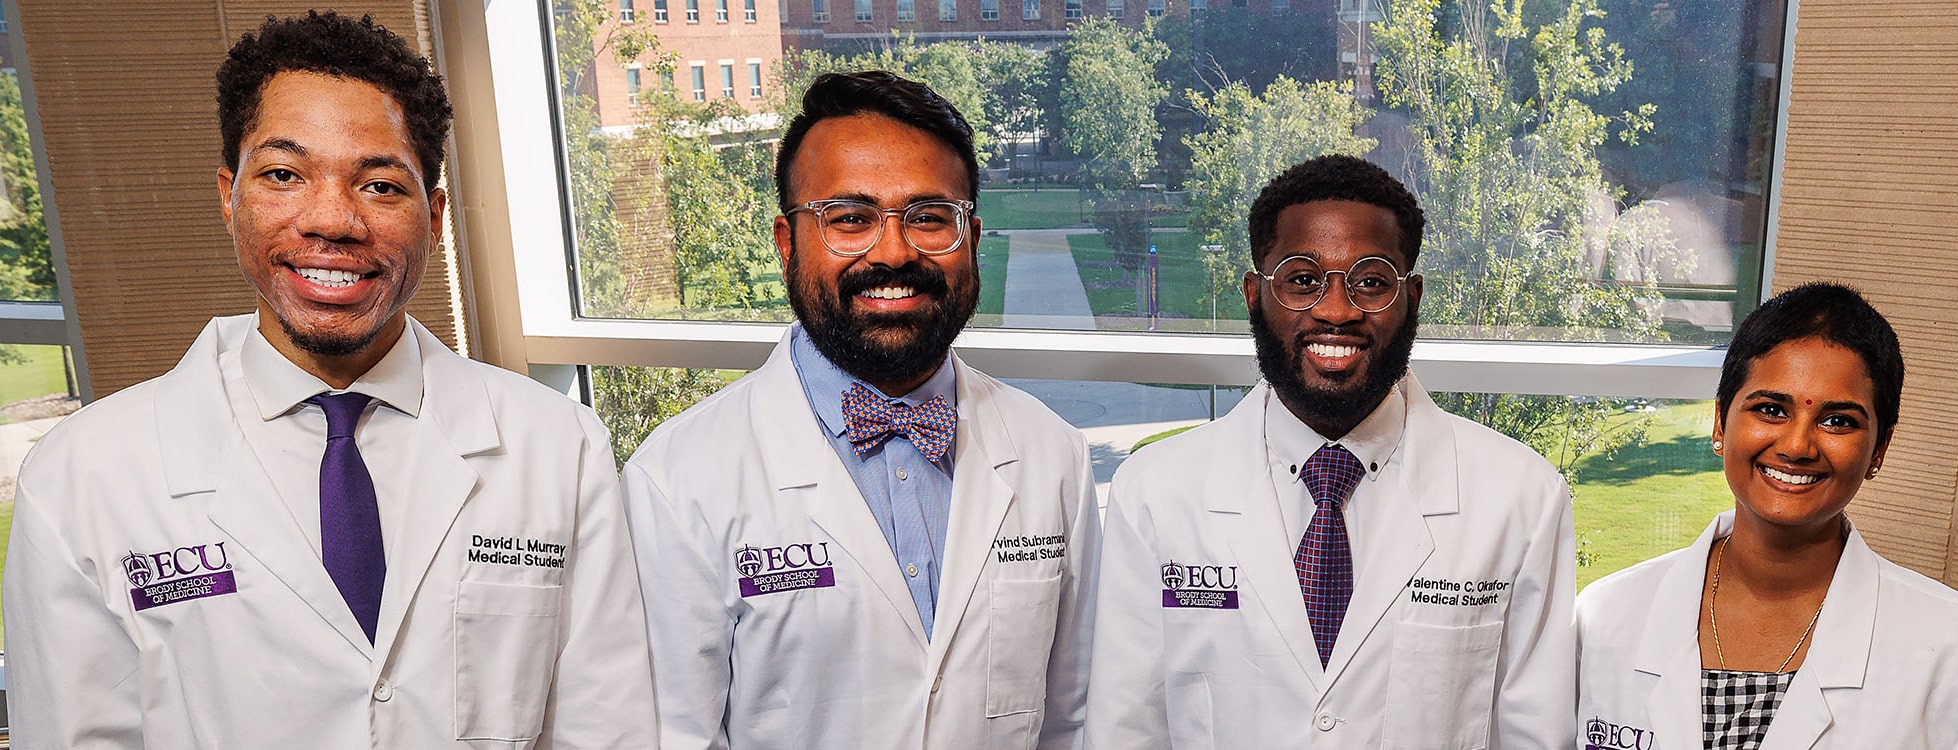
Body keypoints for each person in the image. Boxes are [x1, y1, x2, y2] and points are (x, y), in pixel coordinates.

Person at [0, 12, 655, 748]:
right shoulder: (84, 477)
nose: (333, 220)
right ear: (229, 194)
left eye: (380, 185)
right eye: (284, 174)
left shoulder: (557, 446)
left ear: (434, 216)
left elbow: (609, 729)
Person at [621, 70, 1097, 750]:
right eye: (850, 219)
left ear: (974, 239)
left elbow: (1073, 721)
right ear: (787, 245)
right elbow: (670, 737)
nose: (894, 251)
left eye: (930, 217)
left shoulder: (1053, 455)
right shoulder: (676, 480)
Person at [1084, 154, 1576, 748]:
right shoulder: (1157, 492)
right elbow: (1125, 729)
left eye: (1370, 282)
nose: (1337, 310)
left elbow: (1536, 734)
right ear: (1253, 294)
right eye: (1301, 279)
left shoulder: (1521, 496)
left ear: (1412, 297)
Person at [1576, 283, 1958, 749]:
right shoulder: (1602, 619)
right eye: (1770, 409)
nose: (1797, 446)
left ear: (1879, 448)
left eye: (1838, 420)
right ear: (1720, 422)